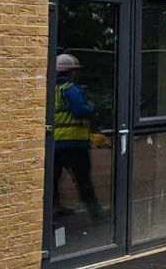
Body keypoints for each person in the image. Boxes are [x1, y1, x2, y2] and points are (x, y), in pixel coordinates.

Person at [53, 53, 103, 222]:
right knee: (83, 180)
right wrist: (92, 108)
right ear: (71, 72)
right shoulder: (70, 89)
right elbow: (80, 111)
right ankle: (96, 215)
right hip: (74, 143)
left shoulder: (51, 89)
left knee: (53, 179)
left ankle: (54, 209)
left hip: (55, 143)